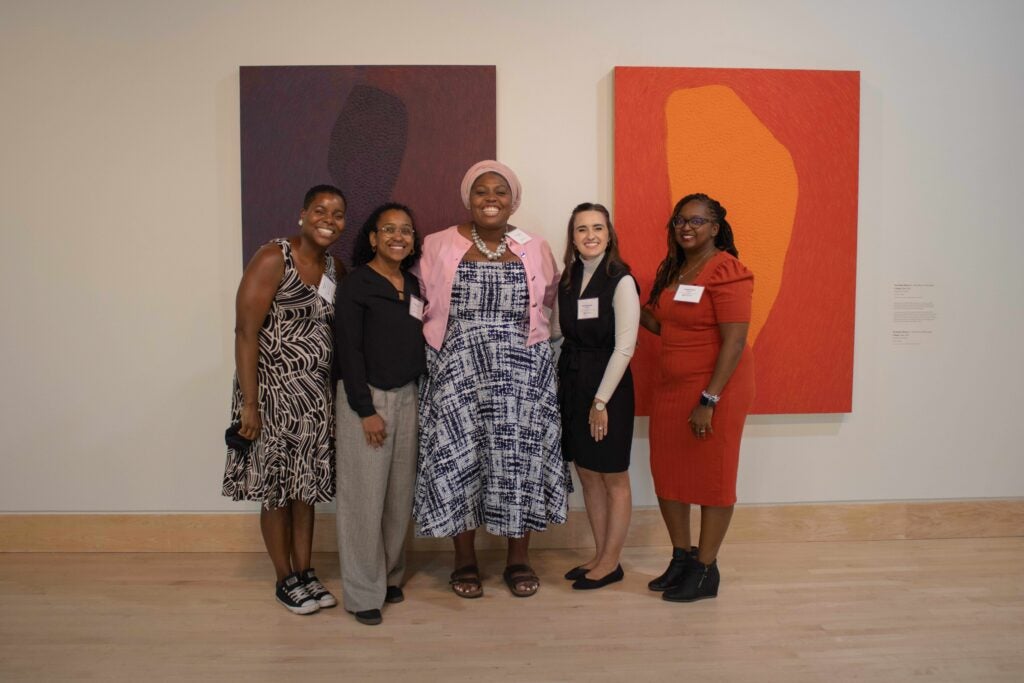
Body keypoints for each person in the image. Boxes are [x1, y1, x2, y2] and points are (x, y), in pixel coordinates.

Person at [414, 160, 569, 599]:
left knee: (516, 460)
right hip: (457, 371)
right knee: (459, 460)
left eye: (500, 191)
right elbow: (420, 302)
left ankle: (518, 558)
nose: (490, 199)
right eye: (481, 191)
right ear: (468, 197)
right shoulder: (437, 244)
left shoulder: (535, 246)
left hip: (521, 373)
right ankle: (464, 559)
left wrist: (545, 367)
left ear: (513, 199)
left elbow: (549, 306)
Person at [222, 184, 346, 614]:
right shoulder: (275, 257)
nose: (329, 219)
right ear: (302, 214)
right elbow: (245, 332)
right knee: (275, 489)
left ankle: (306, 571)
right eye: (320, 210)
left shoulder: (335, 268)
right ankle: (283, 578)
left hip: (313, 397)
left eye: (337, 213)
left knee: (305, 488)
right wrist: (250, 405)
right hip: (271, 393)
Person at [640, 192, 755, 603]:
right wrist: (622, 300)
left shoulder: (727, 271)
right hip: (671, 389)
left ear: (716, 227)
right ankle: (682, 558)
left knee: (712, 480)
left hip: (714, 392)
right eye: (679, 221)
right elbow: (664, 324)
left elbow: (735, 342)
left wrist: (709, 400)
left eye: (697, 221)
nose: (686, 227)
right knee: (668, 475)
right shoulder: (678, 269)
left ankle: (706, 570)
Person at [334, 203, 425, 626]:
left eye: (406, 231)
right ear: (372, 237)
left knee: (397, 497)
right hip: (366, 401)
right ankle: (362, 592)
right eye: (388, 229)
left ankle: (389, 576)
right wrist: (365, 410)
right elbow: (348, 352)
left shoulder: (413, 284)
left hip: (408, 398)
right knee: (363, 500)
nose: (398, 236)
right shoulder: (356, 285)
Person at [554, 203, 640, 590]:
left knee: (612, 475)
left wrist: (601, 402)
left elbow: (625, 347)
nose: (590, 235)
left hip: (609, 387)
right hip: (573, 380)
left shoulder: (620, 280)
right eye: (582, 229)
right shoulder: (569, 278)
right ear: (572, 237)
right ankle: (599, 553)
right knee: (587, 472)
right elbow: (559, 331)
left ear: (610, 235)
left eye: (598, 228)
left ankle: (611, 561)